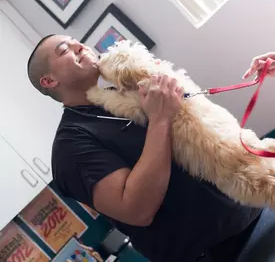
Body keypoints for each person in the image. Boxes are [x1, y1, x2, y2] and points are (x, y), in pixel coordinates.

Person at [27, 34, 262, 262]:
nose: (79, 45)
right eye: (64, 49)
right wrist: (160, 119)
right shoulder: (70, 147)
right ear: (49, 81)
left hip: (253, 209)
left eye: (75, 41)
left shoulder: (123, 92)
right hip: (219, 252)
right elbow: (136, 209)